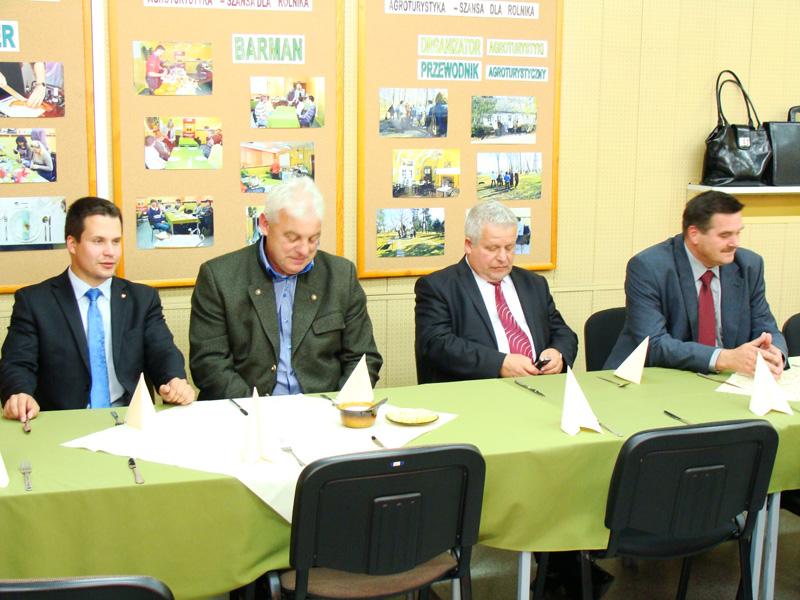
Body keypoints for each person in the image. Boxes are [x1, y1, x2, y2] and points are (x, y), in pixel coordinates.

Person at [0, 197, 194, 421]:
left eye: (116, 241)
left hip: (128, 419)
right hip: (62, 421)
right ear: (72, 244)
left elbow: (163, 351)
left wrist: (173, 381)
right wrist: (19, 394)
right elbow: (17, 363)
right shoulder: (34, 301)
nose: (111, 252)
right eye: (98, 241)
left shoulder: (142, 299)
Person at [189, 177, 382, 400]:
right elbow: (209, 364)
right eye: (292, 238)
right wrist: (258, 411)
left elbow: (362, 359)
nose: (304, 250)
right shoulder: (219, 277)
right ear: (265, 224)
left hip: (323, 410)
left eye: (313, 239)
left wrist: (340, 406)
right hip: (246, 411)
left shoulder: (340, 275)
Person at [605, 190, 787, 377]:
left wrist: (775, 354)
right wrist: (725, 358)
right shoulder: (649, 267)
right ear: (694, 234)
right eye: (725, 235)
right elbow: (654, 345)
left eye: (738, 233)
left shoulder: (748, 265)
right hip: (655, 378)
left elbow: (766, 327)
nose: (735, 243)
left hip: (725, 381)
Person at [414, 201, 578, 384]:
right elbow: (435, 345)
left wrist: (557, 353)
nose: (503, 257)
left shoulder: (534, 283)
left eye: (509, 247)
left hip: (540, 387)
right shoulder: (438, 287)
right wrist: (500, 364)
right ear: (469, 245)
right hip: (476, 391)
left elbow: (563, 332)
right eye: (493, 248)